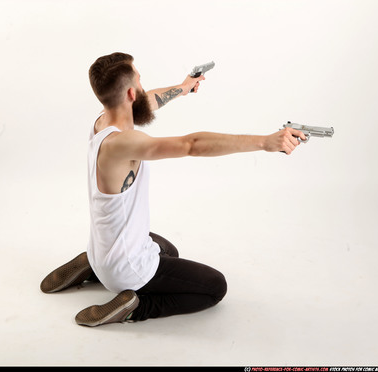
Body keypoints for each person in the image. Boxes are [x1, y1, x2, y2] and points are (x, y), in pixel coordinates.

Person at [40, 52, 306, 327]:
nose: (144, 88)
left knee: (168, 250)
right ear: (131, 93)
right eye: (140, 82)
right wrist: (264, 142)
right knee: (215, 287)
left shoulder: (103, 122)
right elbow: (191, 144)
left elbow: (148, 101)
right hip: (125, 270)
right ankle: (135, 307)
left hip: (102, 252)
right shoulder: (123, 144)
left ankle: (94, 267)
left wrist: (183, 87)